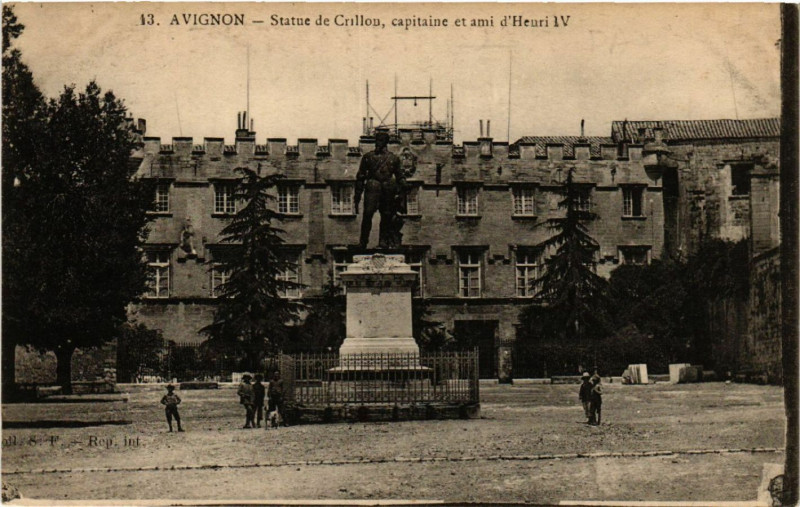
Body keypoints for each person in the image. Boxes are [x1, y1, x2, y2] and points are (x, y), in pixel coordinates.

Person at [354, 131, 408, 250]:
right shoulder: (368, 157)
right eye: (377, 141)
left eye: (381, 141)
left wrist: (403, 185)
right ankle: (363, 242)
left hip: (388, 187)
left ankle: (383, 242)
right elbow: (361, 176)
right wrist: (357, 194)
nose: (378, 143)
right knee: (367, 214)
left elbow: (400, 175)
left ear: (386, 142)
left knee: (386, 215)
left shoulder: (393, 158)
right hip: (373, 186)